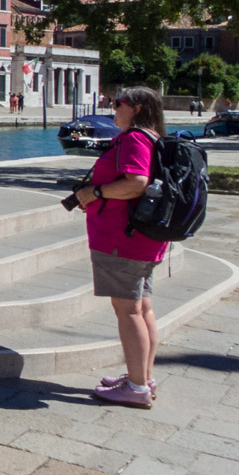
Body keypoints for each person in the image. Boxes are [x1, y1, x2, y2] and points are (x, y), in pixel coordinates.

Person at [73, 86, 168, 408]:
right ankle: (143, 377)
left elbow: (136, 183)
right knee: (142, 308)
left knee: (128, 311)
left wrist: (95, 193)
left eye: (118, 104)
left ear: (136, 108)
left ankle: (137, 389)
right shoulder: (154, 138)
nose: (113, 109)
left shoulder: (134, 139)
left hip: (122, 239)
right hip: (143, 239)